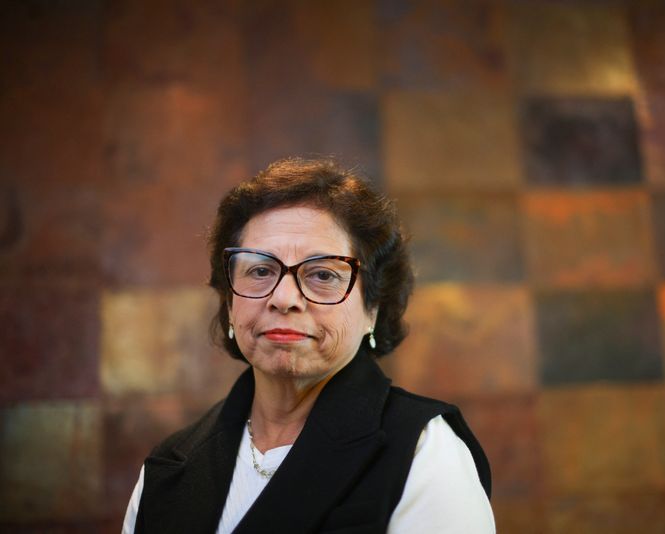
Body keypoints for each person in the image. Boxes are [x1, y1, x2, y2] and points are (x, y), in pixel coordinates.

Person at [122, 158, 495, 533]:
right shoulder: (171, 465)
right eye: (260, 270)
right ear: (229, 303)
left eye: (322, 274)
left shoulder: (423, 451)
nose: (284, 298)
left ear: (372, 309)